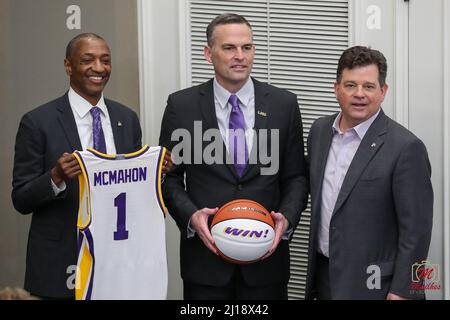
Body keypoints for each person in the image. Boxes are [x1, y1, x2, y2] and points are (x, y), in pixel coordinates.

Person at [159, 13, 309, 300]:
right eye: (229, 48)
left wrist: (286, 219)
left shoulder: (284, 104)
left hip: (267, 264)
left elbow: (296, 177)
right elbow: (168, 178)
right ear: (208, 53)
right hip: (205, 265)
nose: (240, 56)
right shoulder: (182, 106)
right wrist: (191, 216)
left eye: (247, 47)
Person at [12, 33, 172, 299]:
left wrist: (156, 175)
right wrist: (56, 177)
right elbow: (21, 198)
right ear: (68, 66)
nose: (99, 68)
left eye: (105, 60)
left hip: (118, 261)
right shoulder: (38, 122)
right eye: (88, 60)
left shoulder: (126, 118)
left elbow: (132, 192)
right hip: (60, 262)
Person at [305, 46, 433, 300]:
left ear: (383, 91)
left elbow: (417, 232)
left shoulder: (406, 147)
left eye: (369, 86)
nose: (359, 94)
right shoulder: (319, 132)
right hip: (324, 276)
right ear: (336, 88)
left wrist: (403, 291)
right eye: (351, 85)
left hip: (377, 287)